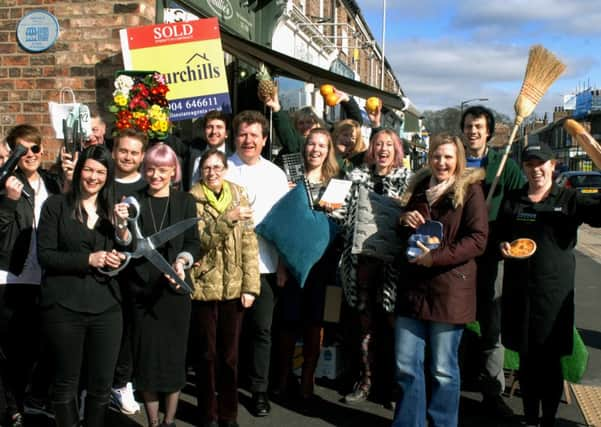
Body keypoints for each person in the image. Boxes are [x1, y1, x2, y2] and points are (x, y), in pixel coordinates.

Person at [498, 143, 601, 427]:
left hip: (553, 295)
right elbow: (499, 235)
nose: (535, 169)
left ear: (553, 166)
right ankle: (530, 418)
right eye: (529, 164)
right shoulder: (514, 198)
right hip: (519, 292)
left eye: (541, 163)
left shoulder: (568, 198)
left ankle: (549, 419)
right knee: (527, 361)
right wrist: (502, 246)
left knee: (551, 362)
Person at [393, 134, 488, 427]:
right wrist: (403, 221)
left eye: (448, 157)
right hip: (414, 289)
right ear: (429, 157)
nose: (442, 162)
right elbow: (405, 235)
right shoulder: (419, 188)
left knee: (443, 369)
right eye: (436, 156)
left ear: (458, 159)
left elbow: (478, 240)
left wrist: (435, 258)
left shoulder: (470, 191)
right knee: (406, 364)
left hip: (450, 290)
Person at [37, 145, 128, 427]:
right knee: (66, 382)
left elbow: (130, 249)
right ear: (78, 172)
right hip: (65, 306)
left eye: (100, 172)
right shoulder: (56, 206)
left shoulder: (114, 210)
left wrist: (122, 232)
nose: (93, 177)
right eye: (88, 169)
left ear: (108, 175)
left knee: (101, 384)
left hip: (107, 307)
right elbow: (46, 256)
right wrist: (89, 258)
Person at [120, 143, 201, 427]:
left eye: (162, 170)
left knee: (173, 359)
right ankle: (154, 422)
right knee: (146, 359)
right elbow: (126, 243)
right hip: (141, 292)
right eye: (151, 169)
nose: (156, 175)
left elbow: (193, 242)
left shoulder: (185, 202)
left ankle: (169, 421)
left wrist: (182, 261)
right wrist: (120, 225)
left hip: (175, 292)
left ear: (173, 172)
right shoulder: (133, 201)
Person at [338, 129, 412, 405]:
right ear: (371, 148)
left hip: (393, 265)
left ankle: (395, 385)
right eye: (378, 144)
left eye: (389, 145)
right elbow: (342, 212)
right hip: (362, 263)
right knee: (364, 324)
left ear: (397, 150)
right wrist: (330, 208)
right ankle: (366, 380)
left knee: (394, 324)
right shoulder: (355, 177)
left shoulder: (408, 180)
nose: (383, 149)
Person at [461, 105, 524, 417]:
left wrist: (506, 234)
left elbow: (522, 198)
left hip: (490, 257)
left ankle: (492, 392)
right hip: (457, 256)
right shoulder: (453, 160)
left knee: (491, 324)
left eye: (479, 127)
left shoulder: (503, 165)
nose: (473, 131)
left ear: (488, 132)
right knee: (451, 320)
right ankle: (448, 383)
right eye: (469, 126)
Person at [189, 149, 260, 427]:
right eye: (207, 168)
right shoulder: (192, 199)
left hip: (233, 288)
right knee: (205, 356)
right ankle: (207, 413)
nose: (212, 172)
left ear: (225, 169)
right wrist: (227, 218)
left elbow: (249, 244)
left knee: (230, 358)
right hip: (204, 287)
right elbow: (200, 242)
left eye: (217, 167)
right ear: (201, 171)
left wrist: (250, 287)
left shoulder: (240, 195)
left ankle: (229, 414)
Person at [226, 110, 289, 417]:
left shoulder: (276, 174)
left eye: (254, 135)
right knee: (230, 330)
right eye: (242, 134)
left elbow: (283, 224)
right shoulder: (221, 169)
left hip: (265, 265)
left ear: (264, 140)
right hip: (229, 265)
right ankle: (227, 386)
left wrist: (283, 266)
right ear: (234, 136)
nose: (248, 140)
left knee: (261, 331)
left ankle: (258, 390)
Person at [271, 128, 341, 401]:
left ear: (328, 150)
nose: (315, 149)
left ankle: (307, 380)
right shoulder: (289, 180)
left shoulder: (337, 182)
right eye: (311, 144)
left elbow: (343, 223)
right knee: (288, 321)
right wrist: (280, 265)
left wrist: (337, 210)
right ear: (305, 147)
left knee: (316, 321)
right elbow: (280, 225)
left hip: (324, 263)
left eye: (321, 145)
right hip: (291, 262)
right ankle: (283, 376)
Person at [0, 125, 62, 425]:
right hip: (12, 276)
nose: (30, 155)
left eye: (35, 148)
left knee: (38, 347)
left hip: (46, 276)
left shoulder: (51, 182)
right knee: (11, 349)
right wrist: (9, 201)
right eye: (22, 150)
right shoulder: (4, 183)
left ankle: (28, 399)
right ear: (12, 153)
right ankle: (12, 407)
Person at [109, 128, 148, 415]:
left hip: (137, 272)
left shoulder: (147, 187)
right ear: (114, 151)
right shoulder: (102, 182)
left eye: (134, 152)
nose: (128, 156)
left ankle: (123, 382)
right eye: (123, 150)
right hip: (104, 269)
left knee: (131, 331)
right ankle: (94, 386)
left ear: (142, 156)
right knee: (104, 330)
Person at [186, 110, 232, 190]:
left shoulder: (233, 158)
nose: (214, 131)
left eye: (219, 127)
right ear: (204, 131)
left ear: (226, 133)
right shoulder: (193, 151)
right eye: (209, 127)